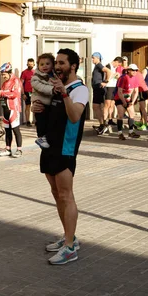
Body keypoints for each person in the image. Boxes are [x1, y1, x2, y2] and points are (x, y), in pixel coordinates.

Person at [31, 48, 88, 265]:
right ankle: (68, 238)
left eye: (62, 63)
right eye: (56, 62)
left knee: (66, 195)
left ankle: (70, 248)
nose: (57, 67)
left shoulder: (79, 90)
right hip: (49, 148)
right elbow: (53, 115)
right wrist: (38, 109)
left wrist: (64, 93)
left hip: (65, 149)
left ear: (73, 66)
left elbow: (74, 116)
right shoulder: (57, 87)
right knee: (56, 193)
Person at [0, 63, 23, 158]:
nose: (3, 76)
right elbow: (2, 95)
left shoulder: (16, 81)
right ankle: (8, 149)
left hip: (13, 109)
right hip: (5, 109)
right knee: (7, 130)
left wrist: (2, 93)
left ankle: (19, 150)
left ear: (9, 72)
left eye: (4, 74)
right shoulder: (4, 83)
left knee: (16, 130)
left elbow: (15, 94)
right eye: (2, 74)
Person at [31, 53, 56, 148]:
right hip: (41, 102)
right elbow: (40, 87)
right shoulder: (36, 77)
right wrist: (52, 90)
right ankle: (41, 136)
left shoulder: (54, 76)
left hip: (49, 104)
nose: (44, 66)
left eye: (47, 63)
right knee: (41, 119)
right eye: (41, 64)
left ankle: (45, 137)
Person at [114, 64, 141, 140]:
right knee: (120, 114)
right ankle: (120, 133)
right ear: (128, 70)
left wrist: (133, 101)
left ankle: (131, 131)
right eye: (133, 70)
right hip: (119, 98)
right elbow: (119, 92)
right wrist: (123, 102)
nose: (135, 72)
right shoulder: (123, 78)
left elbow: (136, 91)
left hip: (128, 99)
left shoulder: (135, 78)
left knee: (132, 114)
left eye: (136, 70)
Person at [91, 52, 112, 135]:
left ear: (97, 58)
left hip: (99, 89)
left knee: (96, 106)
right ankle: (102, 124)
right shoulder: (96, 66)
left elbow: (108, 71)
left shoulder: (99, 65)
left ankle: (103, 125)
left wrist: (105, 81)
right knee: (97, 107)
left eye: (93, 58)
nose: (92, 59)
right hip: (97, 88)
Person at [103, 57, 123, 131]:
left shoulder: (114, 68)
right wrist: (114, 75)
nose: (117, 66)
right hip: (108, 87)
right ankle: (104, 120)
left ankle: (110, 119)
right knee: (107, 105)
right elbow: (106, 77)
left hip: (114, 87)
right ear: (116, 61)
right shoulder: (108, 66)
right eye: (118, 64)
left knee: (112, 104)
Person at [136, 58, 148, 131]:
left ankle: (145, 124)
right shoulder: (145, 70)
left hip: (147, 90)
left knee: (143, 107)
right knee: (143, 107)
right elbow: (142, 80)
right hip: (144, 90)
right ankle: (143, 122)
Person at [20, 58, 35, 126]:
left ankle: (35, 120)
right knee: (28, 106)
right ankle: (27, 121)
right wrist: (23, 94)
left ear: (34, 64)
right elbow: (21, 83)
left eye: (31, 64)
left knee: (35, 106)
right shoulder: (24, 72)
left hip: (35, 92)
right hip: (27, 92)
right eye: (29, 64)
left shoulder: (35, 72)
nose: (30, 66)